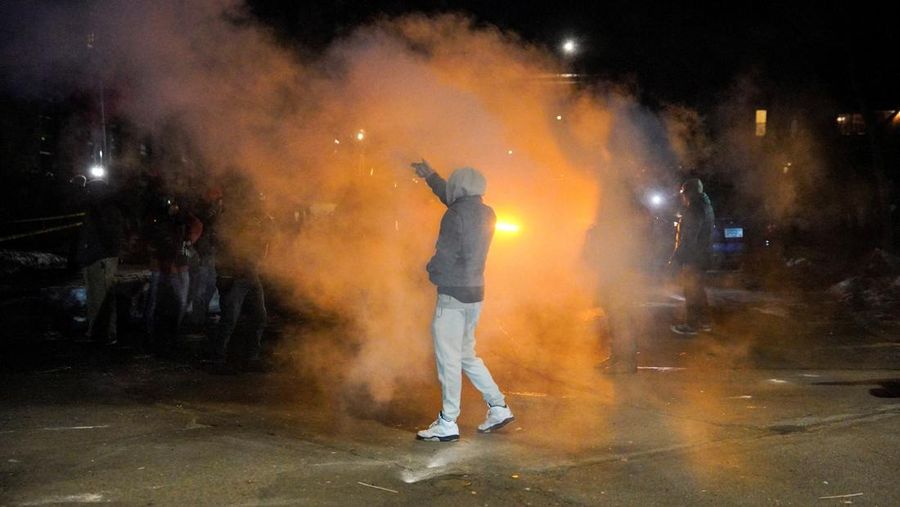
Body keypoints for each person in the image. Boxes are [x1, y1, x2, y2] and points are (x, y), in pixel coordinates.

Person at [411, 160, 514, 442]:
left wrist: (429, 272)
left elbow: (445, 253)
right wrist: (430, 176)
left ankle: (447, 421)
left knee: (449, 359)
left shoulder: (454, 215)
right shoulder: (486, 212)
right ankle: (498, 406)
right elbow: (454, 198)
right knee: (467, 354)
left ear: (460, 188)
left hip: (452, 295)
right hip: (475, 294)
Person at [207, 183, 272, 374]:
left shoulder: (255, 221)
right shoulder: (228, 221)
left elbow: (262, 242)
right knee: (229, 319)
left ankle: (250, 356)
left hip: (249, 274)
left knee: (259, 317)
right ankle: (217, 357)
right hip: (235, 275)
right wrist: (224, 274)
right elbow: (219, 247)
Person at [144, 196, 203, 355]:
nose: (173, 207)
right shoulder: (159, 219)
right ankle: (154, 333)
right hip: (164, 266)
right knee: (157, 301)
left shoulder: (182, 221)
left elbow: (197, 226)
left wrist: (189, 241)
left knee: (178, 301)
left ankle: (171, 333)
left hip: (177, 266)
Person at [74, 178, 123, 345]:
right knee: (94, 297)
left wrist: (100, 255)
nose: (88, 193)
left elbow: (109, 238)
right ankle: (96, 331)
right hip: (92, 259)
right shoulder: (96, 210)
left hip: (101, 259)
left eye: (91, 190)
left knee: (103, 297)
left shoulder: (107, 211)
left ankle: (108, 333)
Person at [669, 178, 715, 335]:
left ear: (689, 193)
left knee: (691, 289)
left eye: (684, 194)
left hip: (693, 257)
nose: (683, 197)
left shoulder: (694, 208)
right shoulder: (705, 206)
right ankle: (704, 322)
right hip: (702, 255)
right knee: (698, 289)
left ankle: (692, 324)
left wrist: (677, 257)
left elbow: (689, 237)